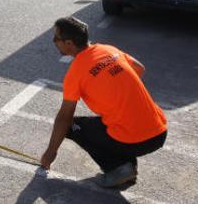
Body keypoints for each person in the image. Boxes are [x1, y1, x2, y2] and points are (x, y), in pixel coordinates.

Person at [41, 16, 168, 188]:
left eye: (56, 38)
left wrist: (50, 153)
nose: (54, 41)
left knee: (71, 127)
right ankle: (127, 170)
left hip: (137, 141)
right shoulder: (108, 50)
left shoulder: (75, 72)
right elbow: (139, 68)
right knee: (110, 125)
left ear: (69, 43)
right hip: (159, 131)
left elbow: (64, 118)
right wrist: (117, 89)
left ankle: (117, 168)